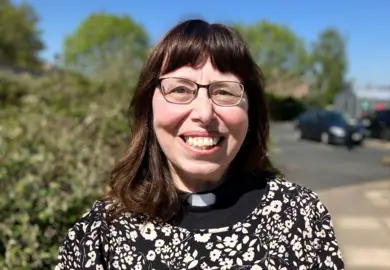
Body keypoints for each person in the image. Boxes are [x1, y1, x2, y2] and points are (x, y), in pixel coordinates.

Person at [55, 19, 344, 270]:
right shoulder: (102, 233)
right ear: (149, 107)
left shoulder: (300, 216)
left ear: (250, 112)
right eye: (180, 89)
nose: (204, 113)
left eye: (225, 91)